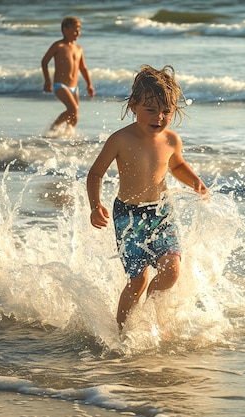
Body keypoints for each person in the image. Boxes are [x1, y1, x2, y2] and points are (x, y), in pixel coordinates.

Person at [87, 65, 208, 331]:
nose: (159, 117)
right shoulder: (120, 139)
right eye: (151, 110)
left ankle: (149, 319)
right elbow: (95, 173)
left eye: (166, 111)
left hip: (162, 212)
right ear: (133, 105)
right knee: (138, 279)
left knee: (171, 270)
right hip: (128, 216)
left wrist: (196, 182)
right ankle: (121, 330)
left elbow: (176, 166)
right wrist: (96, 206)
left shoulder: (172, 139)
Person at [41, 16, 95, 133]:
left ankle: (66, 136)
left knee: (75, 116)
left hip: (74, 87)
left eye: (79, 30)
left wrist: (89, 85)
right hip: (60, 85)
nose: (78, 33)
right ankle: (53, 128)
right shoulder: (58, 46)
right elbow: (44, 61)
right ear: (65, 30)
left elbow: (83, 68)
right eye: (75, 29)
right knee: (73, 109)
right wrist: (47, 81)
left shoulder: (78, 48)